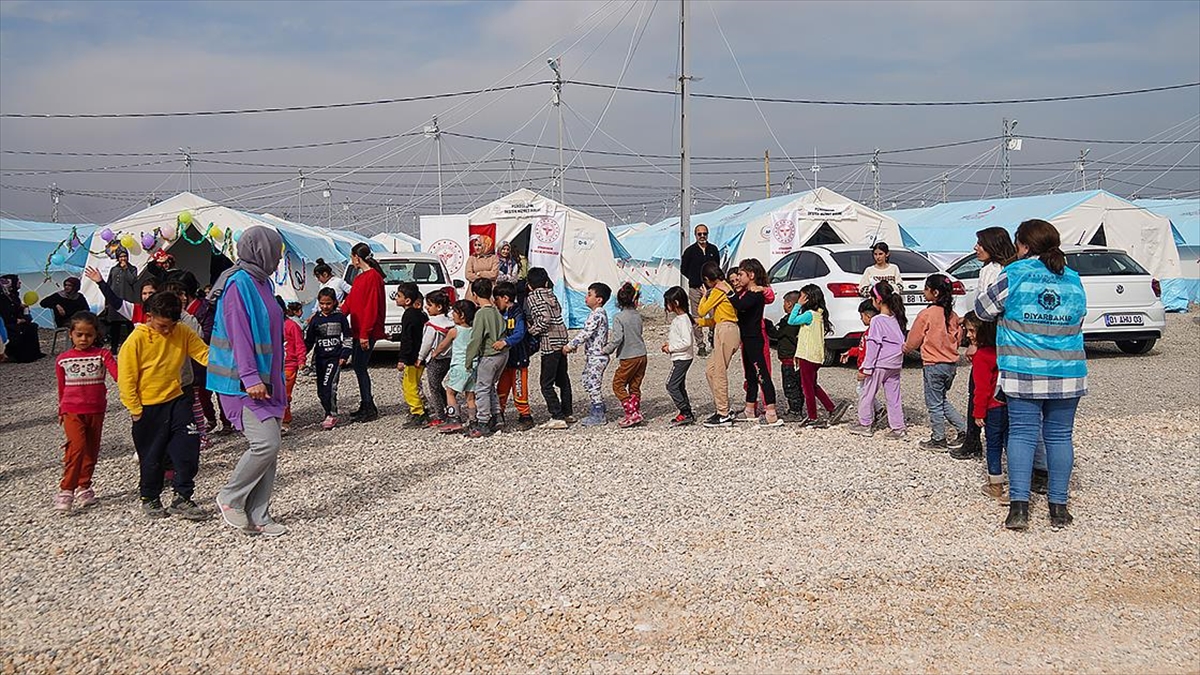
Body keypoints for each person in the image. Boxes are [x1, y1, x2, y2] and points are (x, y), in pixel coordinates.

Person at [976, 219, 1087, 531]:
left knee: (1023, 434)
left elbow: (983, 310)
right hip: (1068, 369)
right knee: (1060, 436)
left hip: (1023, 368)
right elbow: (1079, 319)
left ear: (1022, 245)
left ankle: (1020, 509)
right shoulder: (1073, 278)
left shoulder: (1014, 274)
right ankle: (1059, 508)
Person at [209, 226, 289, 537]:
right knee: (265, 443)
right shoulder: (237, 284)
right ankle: (230, 496)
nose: (278, 256)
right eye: (276, 250)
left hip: (267, 380)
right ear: (261, 250)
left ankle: (259, 515)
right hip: (242, 382)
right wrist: (250, 377)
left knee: (271, 446)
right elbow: (238, 333)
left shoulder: (263, 282)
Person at [118, 291, 210, 520]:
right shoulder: (135, 341)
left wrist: (236, 363)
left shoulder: (182, 332)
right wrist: (135, 410)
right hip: (148, 407)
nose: (168, 331)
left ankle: (183, 496)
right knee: (152, 457)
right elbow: (126, 378)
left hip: (178, 400)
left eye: (172, 325)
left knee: (188, 448)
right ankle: (150, 496)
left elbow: (204, 354)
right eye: (163, 326)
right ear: (149, 316)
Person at [953, 226, 1018, 460]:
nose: (975, 248)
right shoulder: (1011, 269)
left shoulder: (992, 271)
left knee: (979, 387)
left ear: (992, 245)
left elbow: (986, 312)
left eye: (979, 243)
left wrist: (975, 341)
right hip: (1005, 341)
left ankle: (974, 439)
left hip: (989, 339)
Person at [53, 311, 118, 512]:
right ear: (71, 334)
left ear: (96, 334)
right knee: (77, 446)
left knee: (91, 449)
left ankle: (84, 485)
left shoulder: (102, 355)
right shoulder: (63, 360)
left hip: (96, 409)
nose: (83, 339)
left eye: (88, 335)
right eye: (79, 334)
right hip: (72, 410)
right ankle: (66, 489)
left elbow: (119, 375)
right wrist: (61, 409)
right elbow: (61, 387)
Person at [903, 274, 966, 451]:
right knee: (941, 399)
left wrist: (905, 348)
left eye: (926, 289)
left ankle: (938, 438)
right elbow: (958, 338)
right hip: (950, 365)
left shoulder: (927, 314)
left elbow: (914, 340)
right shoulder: (953, 315)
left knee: (934, 403)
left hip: (933, 365)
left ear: (935, 292)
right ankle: (963, 429)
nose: (924, 292)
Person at [846, 283, 907, 438]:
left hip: (880, 363)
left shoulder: (877, 320)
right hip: (895, 363)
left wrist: (866, 368)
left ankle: (865, 424)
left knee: (867, 393)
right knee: (894, 396)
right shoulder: (897, 318)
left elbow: (873, 345)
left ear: (878, 300)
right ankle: (898, 427)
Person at [727, 260, 783, 427]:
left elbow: (741, 304)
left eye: (741, 274)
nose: (738, 277)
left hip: (755, 338)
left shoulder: (755, 293)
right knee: (750, 375)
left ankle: (771, 411)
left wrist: (728, 293)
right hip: (747, 338)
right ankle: (750, 408)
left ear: (751, 275)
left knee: (762, 373)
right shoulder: (745, 291)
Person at [787, 284, 850, 428]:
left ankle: (813, 417)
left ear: (808, 298)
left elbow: (791, 321)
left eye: (802, 297)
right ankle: (831, 408)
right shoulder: (820, 314)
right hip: (816, 356)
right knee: (813, 386)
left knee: (807, 388)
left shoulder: (809, 314)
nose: (800, 299)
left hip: (807, 355)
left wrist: (797, 306)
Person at [962, 312, 1008, 504]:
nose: (968, 335)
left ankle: (995, 484)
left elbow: (981, 389)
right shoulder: (1004, 351)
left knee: (994, 445)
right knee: (1012, 444)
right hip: (1010, 405)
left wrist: (978, 413)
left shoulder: (982, 356)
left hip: (992, 407)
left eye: (972, 331)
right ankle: (1018, 485)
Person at [341, 242, 386, 423]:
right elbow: (351, 302)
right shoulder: (360, 278)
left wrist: (366, 333)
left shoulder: (373, 277)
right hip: (358, 329)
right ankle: (366, 403)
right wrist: (336, 315)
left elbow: (372, 307)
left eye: (352, 257)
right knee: (358, 366)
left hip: (366, 331)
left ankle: (368, 405)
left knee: (360, 366)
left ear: (356, 258)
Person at [525, 267, 572, 429]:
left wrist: (531, 330)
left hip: (549, 343)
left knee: (546, 383)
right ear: (546, 282)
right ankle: (567, 412)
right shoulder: (551, 294)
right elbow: (556, 312)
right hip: (562, 339)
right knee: (563, 379)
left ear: (529, 285)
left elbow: (544, 319)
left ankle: (556, 415)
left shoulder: (532, 296)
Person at [697, 262, 740, 428]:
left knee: (719, 372)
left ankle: (723, 413)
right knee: (711, 371)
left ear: (708, 279)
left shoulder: (717, 289)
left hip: (725, 330)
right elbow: (718, 316)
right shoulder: (725, 287)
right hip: (725, 328)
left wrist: (704, 295)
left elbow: (702, 309)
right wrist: (701, 323)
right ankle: (722, 408)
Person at [563, 282, 612, 427]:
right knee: (586, 379)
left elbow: (586, 333)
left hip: (597, 356)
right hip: (593, 355)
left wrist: (570, 345)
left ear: (599, 299)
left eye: (590, 295)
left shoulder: (597, 314)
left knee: (593, 384)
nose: (586, 297)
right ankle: (599, 406)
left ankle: (598, 413)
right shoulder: (597, 314)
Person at [464, 279, 507, 438]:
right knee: (491, 387)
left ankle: (482, 422)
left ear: (474, 295)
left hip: (488, 355)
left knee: (482, 389)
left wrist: (469, 360)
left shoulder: (481, 314)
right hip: (502, 355)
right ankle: (497, 417)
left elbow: (476, 339)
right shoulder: (497, 311)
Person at [601, 282, 648, 428]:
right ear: (635, 300)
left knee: (618, 384)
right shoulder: (638, 316)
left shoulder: (619, 317)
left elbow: (617, 339)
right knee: (635, 385)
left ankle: (631, 412)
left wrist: (606, 349)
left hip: (628, 356)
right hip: (642, 355)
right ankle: (636, 410)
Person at [305, 288, 352, 430]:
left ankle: (332, 414)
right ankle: (327, 410)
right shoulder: (315, 319)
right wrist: (300, 356)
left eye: (328, 303)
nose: (325, 307)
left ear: (334, 303)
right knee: (321, 389)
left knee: (330, 386)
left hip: (335, 358)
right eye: (322, 304)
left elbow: (348, 337)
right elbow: (309, 341)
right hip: (319, 359)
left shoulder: (340, 317)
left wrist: (344, 355)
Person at [430, 300, 478, 434]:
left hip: (459, 366)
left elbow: (443, 345)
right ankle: (473, 420)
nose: (452, 315)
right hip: (473, 366)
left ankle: (454, 418)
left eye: (454, 312)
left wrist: (435, 353)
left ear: (461, 315)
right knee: (470, 395)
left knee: (450, 392)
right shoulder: (474, 330)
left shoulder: (454, 331)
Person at [494, 282, 535, 431]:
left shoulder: (518, 312)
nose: (495, 302)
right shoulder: (498, 313)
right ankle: (499, 413)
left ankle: (525, 415)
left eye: (496, 298)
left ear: (505, 298)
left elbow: (519, 333)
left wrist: (505, 342)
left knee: (519, 387)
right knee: (502, 387)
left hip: (519, 357)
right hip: (504, 359)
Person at [841, 299, 886, 429]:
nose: (861, 320)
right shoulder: (869, 332)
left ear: (868, 316)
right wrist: (851, 352)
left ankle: (868, 419)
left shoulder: (872, 332)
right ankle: (878, 410)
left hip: (868, 368)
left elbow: (869, 352)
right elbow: (862, 349)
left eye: (862, 316)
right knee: (864, 390)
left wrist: (865, 369)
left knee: (864, 392)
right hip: (867, 367)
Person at [681, 224, 721, 357]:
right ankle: (700, 344)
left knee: (714, 314)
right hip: (695, 288)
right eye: (700, 234)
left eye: (705, 233)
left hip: (711, 289)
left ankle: (712, 335)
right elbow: (684, 269)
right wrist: (695, 280)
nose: (702, 236)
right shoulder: (690, 251)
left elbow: (717, 267)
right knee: (697, 317)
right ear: (695, 235)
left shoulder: (713, 249)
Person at [417, 290, 455, 428]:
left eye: (429, 304)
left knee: (434, 387)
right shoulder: (451, 323)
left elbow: (426, 343)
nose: (426, 307)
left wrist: (420, 357)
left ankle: (440, 415)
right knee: (439, 385)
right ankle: (449, 407)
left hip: (435, 359)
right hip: (449, 357)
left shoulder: (432, 324)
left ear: (438, 307)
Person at [395, 283, 429, 427]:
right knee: (414, 383)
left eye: (398, 296)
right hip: (421, 356)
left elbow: (407, 339)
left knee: (409, 385)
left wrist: (403, 359)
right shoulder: (420, 315)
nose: (396, 298)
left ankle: (418, 413)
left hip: (412, 358)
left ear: (407, 300)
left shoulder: (408, 315)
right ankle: (422, 408)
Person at [661, 286, 696, 426]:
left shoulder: (683, 320)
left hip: (682, 358)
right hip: (681, 356)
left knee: (671, 385)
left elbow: (687, 342)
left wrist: (671, 348)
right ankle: (686, 412)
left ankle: (685, 411)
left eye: (667, 303)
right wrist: (669, 345)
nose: (666, 306)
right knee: (679, 385)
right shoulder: (681, 319)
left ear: (675, 303)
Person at [768, 291, 805, 419]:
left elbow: (778, 334)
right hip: (794, 358)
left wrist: (768, 326)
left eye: (784, 302)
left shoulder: (790, 322)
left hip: (790, 359)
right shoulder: (799, 320)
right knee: (797, 386)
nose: (783, 305)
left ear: (789, 304)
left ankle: (795, 411)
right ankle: (797, 409)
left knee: (790, 386)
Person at [0, 274, 45, 362]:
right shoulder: (2, 298)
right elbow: (4, 313)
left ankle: (33, 353)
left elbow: (17, 310)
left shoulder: (13, 296)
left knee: (32, 326)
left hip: (16, 321)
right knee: (21, 330)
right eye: (17, 281)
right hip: (7, 323)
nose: (20, 283)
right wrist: (16, 320)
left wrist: (24, 314)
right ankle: (19, 355)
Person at [105, 249, 138, 352]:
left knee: (129, 324)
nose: (123, 259)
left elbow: (132, 280)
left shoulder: (132, 269)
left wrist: (126, 269)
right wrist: (107, 301)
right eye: (121, 257)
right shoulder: (113, 269)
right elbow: (109, 285)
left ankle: (132, 347)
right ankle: (114, 347)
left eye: (124, 256)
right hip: (115, 300)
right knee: (115, 325)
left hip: (127, 299)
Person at [282, 300, 307, 434]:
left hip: (289, 364)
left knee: (285, 393)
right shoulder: (267, 326)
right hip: (273, 365)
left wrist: (301, 360)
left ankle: (285, 420)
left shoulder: (292, 326)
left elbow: (299, 344)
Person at [464, 236, 499, 302]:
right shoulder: (472, 258)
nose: (477, 248)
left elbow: (494, 274)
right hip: (473, 292)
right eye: (475, 245)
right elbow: (468, 275)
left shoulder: (494, 258)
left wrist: (480, 273)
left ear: (486, 245)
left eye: (479, 245)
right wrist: (486, 277)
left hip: (489, 292)